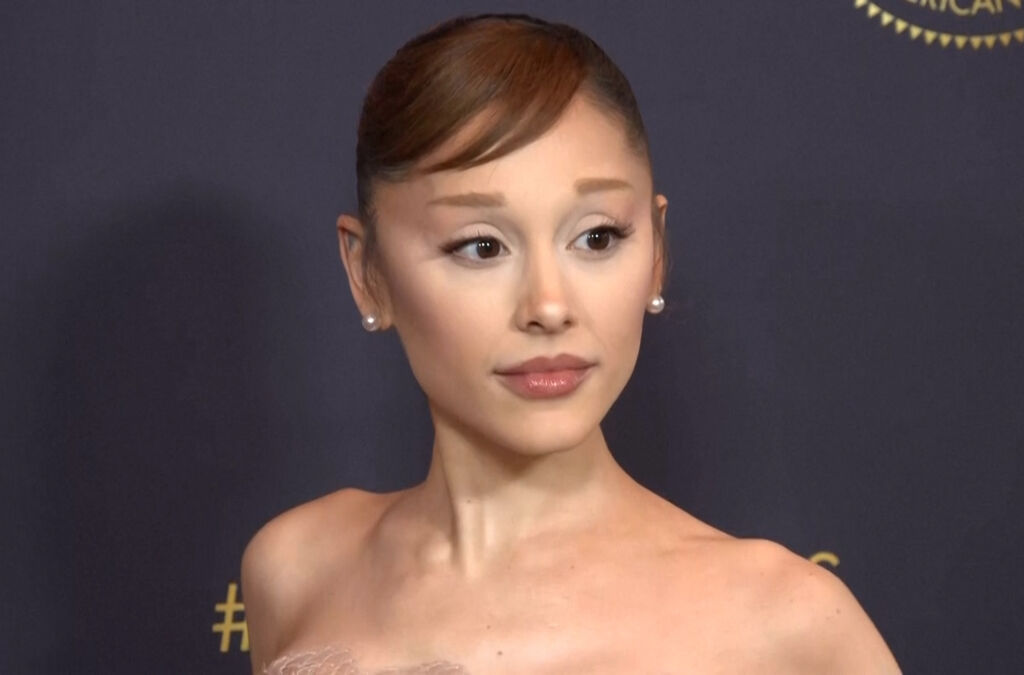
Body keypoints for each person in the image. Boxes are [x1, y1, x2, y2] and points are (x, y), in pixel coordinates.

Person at [241, 12, 899, 674]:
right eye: (481, 246)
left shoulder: (786, 625)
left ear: (656, 251)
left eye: (597, 237)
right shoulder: (295, 567)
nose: (549, 306)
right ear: (367, 274)